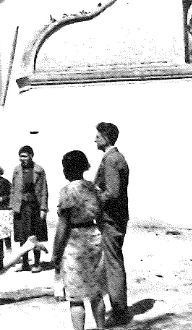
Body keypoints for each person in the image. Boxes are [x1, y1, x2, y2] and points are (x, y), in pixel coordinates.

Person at [51, 150, 106, 330]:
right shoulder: (93, 188)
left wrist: (56, 253)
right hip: (94, 237)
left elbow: (63, 226)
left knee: (76, 298)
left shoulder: (67, 191)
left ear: (66, 169)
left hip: (74, 242)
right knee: (96, 294)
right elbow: (101, 217)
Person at [94, 122, 132, 327]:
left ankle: (119, 310)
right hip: (115, 217)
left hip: (111, 218)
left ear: (107, 138)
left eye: (98, 136)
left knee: (113, 263)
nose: (95, 139)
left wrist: (92, 199)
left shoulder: (111, 159)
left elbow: (112, 193)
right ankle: (119, 306)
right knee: (113, 261)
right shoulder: (115, 157)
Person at [9, 145, 48, 272]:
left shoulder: (38, 170)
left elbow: (44, 190)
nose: (22, 159)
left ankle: (37, 263)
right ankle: (25, 263)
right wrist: (12, 206)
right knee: (22, 236)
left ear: (31, 156)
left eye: (25, 156)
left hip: (34, 206)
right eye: (20, 156)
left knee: (35, 235)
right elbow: (13, 189)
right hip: (21, 207)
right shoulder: (17, 170)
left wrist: (43, 209)